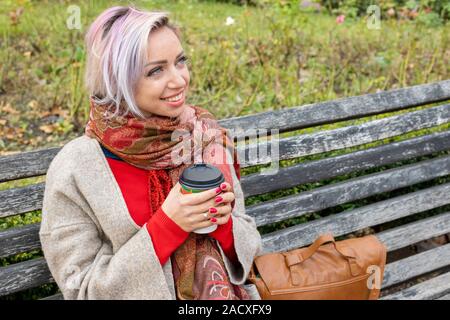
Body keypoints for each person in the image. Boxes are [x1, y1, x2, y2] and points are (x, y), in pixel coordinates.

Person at [39, 6, 262, 300]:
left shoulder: (205, 138)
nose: (179, 80)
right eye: (156, 70)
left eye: (180, 62)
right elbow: (83, 290)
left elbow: (251, 246)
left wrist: (224, 226)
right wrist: (168, 225)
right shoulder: (77, 168)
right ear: (117, 79)